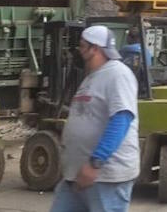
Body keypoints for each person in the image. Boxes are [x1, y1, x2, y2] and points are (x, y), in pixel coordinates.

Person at [50, 25, 140, 212]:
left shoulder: (118, 74)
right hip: (77, 175)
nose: (79, 51)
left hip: (105, 177)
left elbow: (122, 118)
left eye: (83, 46)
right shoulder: (92, 77)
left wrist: (96, 162)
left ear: (95, 49)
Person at [119, 26, 151, 96]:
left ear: (129, 38)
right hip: (143, 88)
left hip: (127, 87)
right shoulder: (147, 52)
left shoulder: (124, 50)